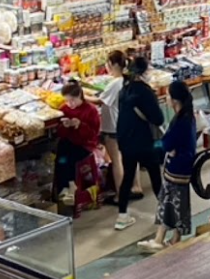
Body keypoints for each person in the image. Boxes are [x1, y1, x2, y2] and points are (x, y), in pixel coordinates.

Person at [137, 81, 197, 252]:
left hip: (176, 170)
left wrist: (160, 146)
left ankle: (159, 239)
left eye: (169, 96)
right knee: (179, 204)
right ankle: (174, 238)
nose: (167, 99)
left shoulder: (180, 121)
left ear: (175, 100)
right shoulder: (188, 116)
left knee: (168, 202)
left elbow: (167, 143)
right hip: (184, 168)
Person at [115, 56, 165, 231]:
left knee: (128, 176)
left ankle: (122, 216)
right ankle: (164, 213)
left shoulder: (124, 91)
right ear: (144, 72)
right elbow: (158, 119)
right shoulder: (145, 92)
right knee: (155, 176)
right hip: (144, 141)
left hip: (125, 141)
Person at [92, 50, 143, 203]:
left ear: (113, 64)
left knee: (117, 160)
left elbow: (100, 101)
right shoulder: (128, 79)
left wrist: (80, 95)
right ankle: (136, 187)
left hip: (114, 127)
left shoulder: (115, 83)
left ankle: (121, 195)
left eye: (107, 63)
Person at [55, 80, 101, 204]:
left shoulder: (91, 111)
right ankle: (65, 186)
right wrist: (65, 126)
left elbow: (93, 135)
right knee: (61, 156)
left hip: (85, 145)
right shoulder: (64, 109)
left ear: (79, 96)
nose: (70, 104)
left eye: (72, 100)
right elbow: (60, 134)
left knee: (69, 157)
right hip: (69, 142)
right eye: (67, 100)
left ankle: (70, 186)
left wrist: (80, 125)